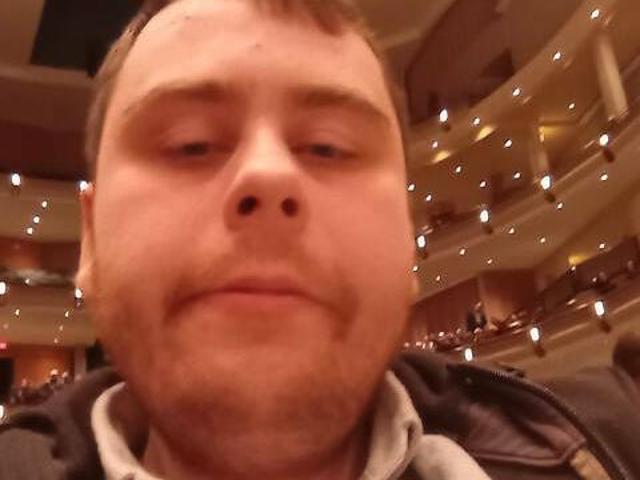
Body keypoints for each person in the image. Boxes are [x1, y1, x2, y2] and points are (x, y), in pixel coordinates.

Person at [0, 1, 639, 479]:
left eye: (329, 147)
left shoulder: (617, 431)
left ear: (408, 235)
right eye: (190, 144)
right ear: (90, 239)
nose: (267, 174)